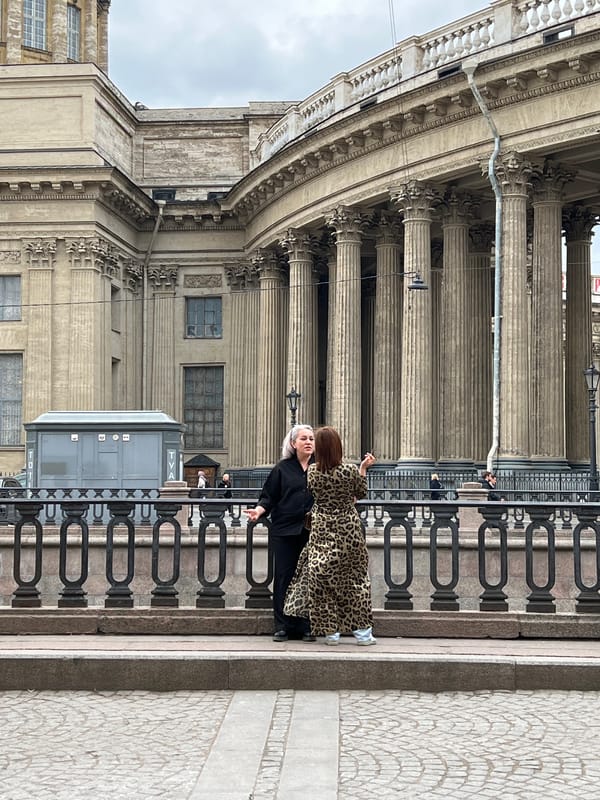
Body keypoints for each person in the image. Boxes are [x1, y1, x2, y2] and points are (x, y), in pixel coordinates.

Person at [287, 426, 377, 646]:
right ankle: (363, 635)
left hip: (322, 528)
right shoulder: (349, 470)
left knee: (323, 579)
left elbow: (315, 492)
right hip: (348, 529)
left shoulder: (313, 471)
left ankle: (331, 634)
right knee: (356, 580)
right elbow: (360, 492)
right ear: (338, 447)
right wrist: (363, 468)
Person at [245, 424, 316, 643]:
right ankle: (283, 625)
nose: (308, 442)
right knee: (284, 576)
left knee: (309, 578)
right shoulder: (282, 469)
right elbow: (269, 496)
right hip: (285, 530)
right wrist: (259, 511)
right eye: (303, 438)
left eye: (311, 439)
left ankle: (306, 626)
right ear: (293, 443)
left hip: (313, 531)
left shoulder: (321, 468)